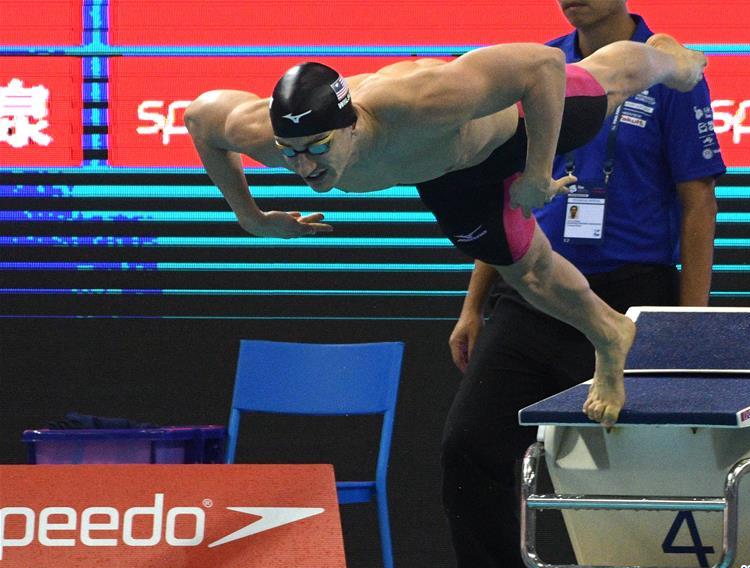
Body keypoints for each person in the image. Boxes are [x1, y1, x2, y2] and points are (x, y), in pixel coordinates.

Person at [184, 35, 707, 429]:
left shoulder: (421, 99)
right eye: (291, 152)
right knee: (526, 272)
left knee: (606, 81)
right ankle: (611, 335)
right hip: (450, 175)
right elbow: (199, 118)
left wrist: (536, 174)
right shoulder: (264, 132)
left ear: (351, 125)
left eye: (318, 147)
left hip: (517, 125)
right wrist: (250, 216)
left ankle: (669, 60)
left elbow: (543, 65)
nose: (304, 166)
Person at [441, 1, 725, 568]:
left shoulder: (667, 69)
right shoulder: (535, 67)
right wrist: (472, 306)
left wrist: (690, 322)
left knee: (637, 470)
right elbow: (504, 196)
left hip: (631, 299)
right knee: (469, 446)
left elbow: (697, 201)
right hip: (534, 293)